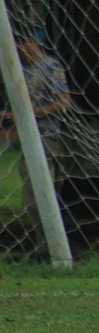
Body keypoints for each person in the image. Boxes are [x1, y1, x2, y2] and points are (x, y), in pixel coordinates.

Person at [0, 31, 72, 247]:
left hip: (47, 138)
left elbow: (63, 103)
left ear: (30, 44)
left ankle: (53, 245)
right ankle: (48, 244)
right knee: (32, 198)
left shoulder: (50, 67)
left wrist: (30, 113)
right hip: (29, 140)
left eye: (18, 46)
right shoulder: (19, 70)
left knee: (37, 196)